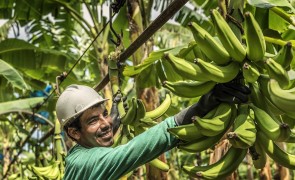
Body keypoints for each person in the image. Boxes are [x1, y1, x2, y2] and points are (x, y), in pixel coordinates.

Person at [56, 81, 250, 180]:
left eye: (104, 114)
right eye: (92, 121)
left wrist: (113, 119)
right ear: (74, 133)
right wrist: (200, 108)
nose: (105, 123)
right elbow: (134, 150)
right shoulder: (86, 162)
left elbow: (106, 126)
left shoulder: (78, 155)